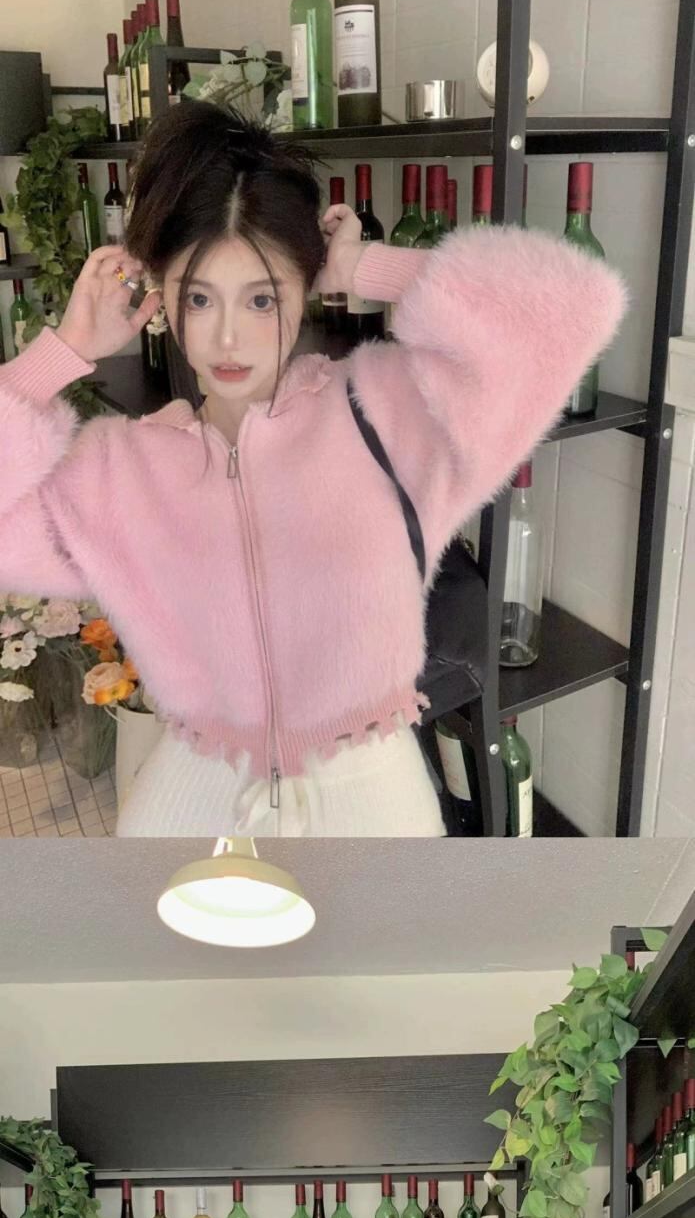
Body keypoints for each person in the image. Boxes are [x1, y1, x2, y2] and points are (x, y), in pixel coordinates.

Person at [0, 103, 625, 838]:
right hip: (195, 788)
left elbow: (570, 309)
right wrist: (64, 349)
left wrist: (363, 266)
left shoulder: (384, 415)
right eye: (198, 297)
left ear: (304, 290)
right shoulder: (122, 471)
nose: (228, 337)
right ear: (162, 297)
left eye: (262, 298)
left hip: (370, 793)